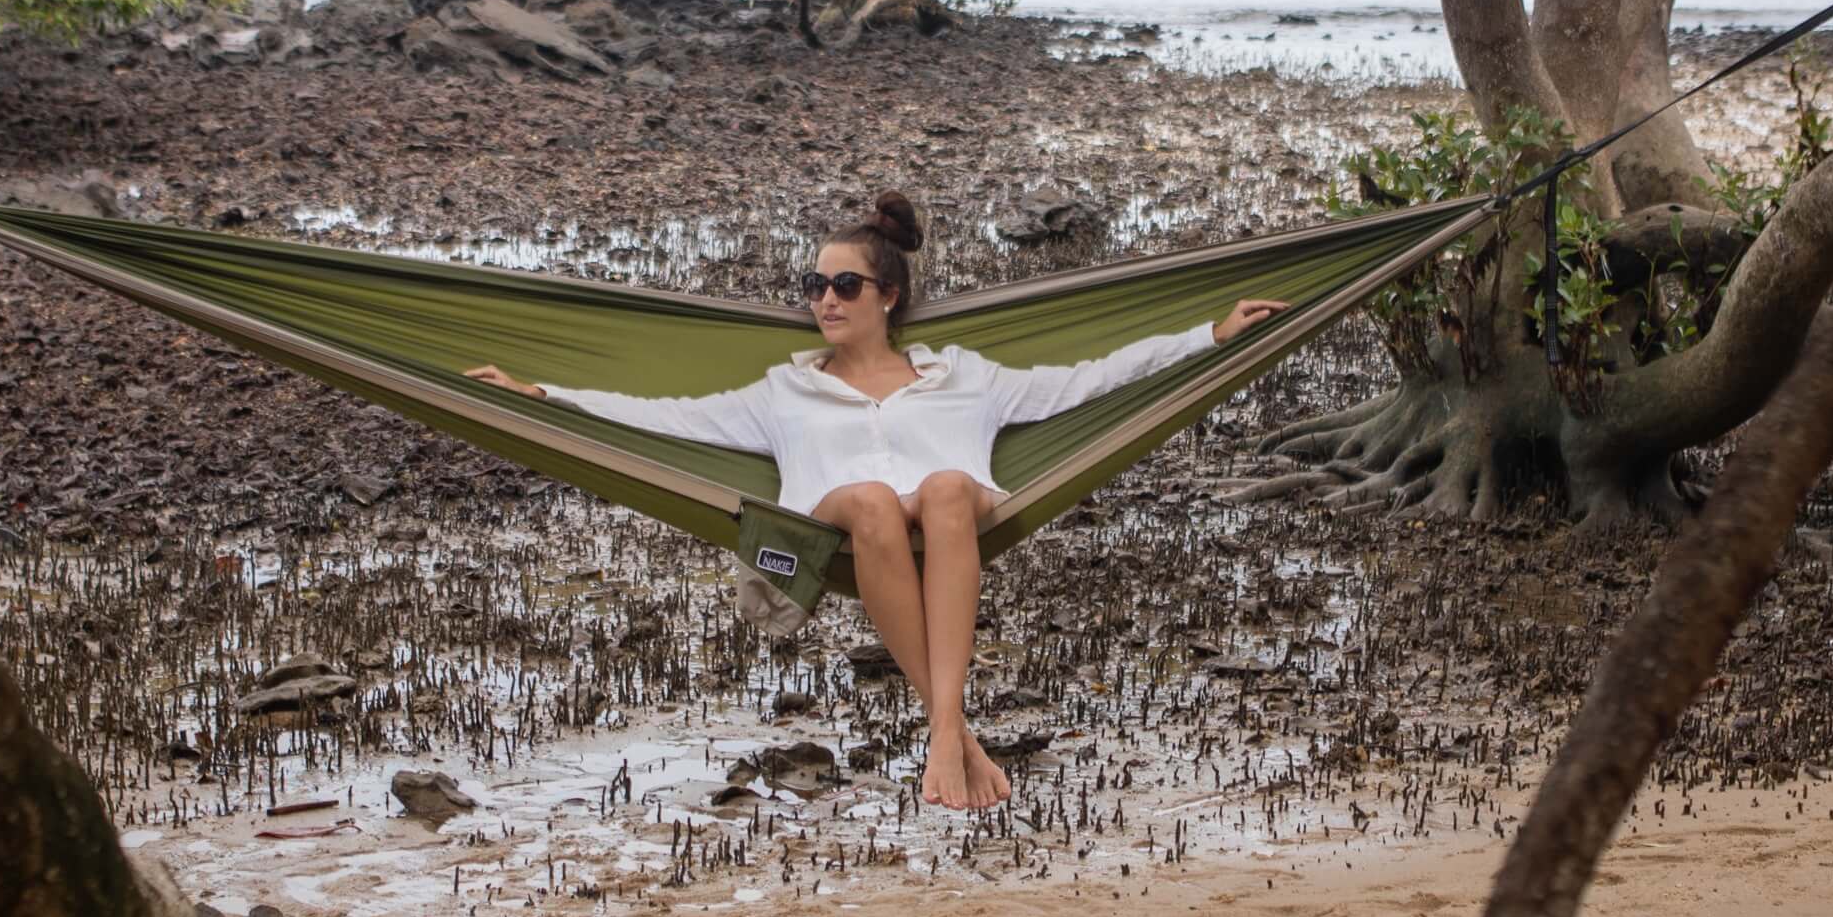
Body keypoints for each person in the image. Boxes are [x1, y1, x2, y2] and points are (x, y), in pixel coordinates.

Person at [468, 191, 1286, 809]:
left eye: (844, 285)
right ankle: (951, 734)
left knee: (942, 487)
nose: (825, 299)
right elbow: (673, 417)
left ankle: (945, 734)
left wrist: (1206, 338)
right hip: (841, 523)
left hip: (949, 518)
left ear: (886, 297)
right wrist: (546, 393)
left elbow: (1082, 381)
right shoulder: (783, 390)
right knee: (868, 498)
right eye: (814, 285)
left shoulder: (963, 375)